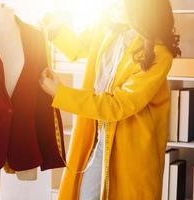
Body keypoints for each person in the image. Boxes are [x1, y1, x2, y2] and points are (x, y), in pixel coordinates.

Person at [40, 0, 181, 199]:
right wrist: (55, 29)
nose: (110, 5)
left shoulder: (159, 54)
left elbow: (119, 105)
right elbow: (79, 48)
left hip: (129, 149)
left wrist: (61, 94)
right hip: (97, 136)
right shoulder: (107, 28)